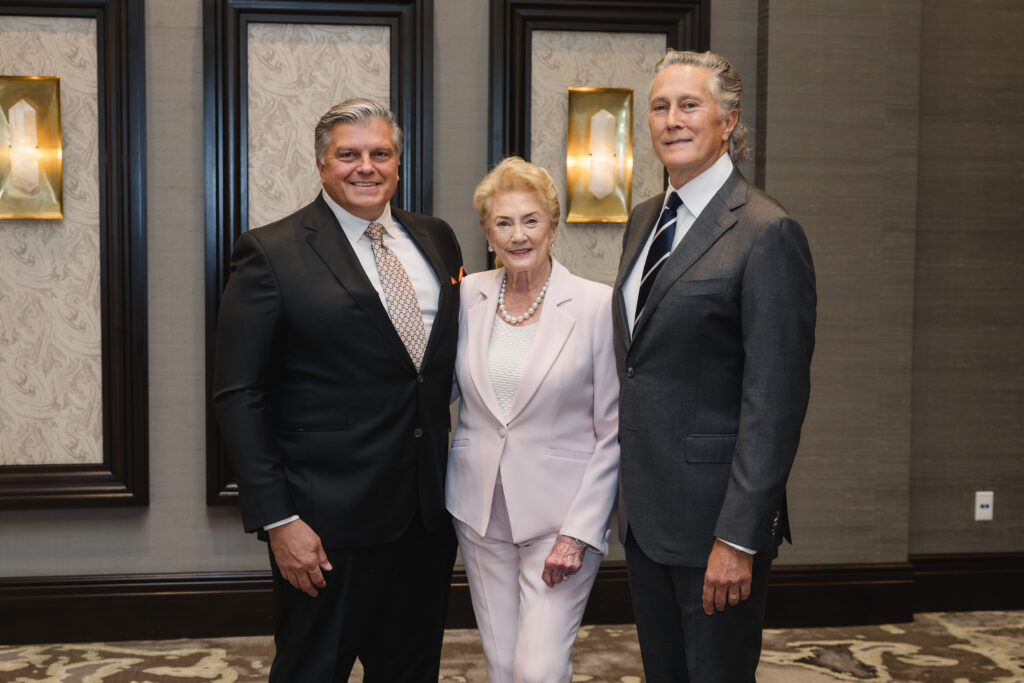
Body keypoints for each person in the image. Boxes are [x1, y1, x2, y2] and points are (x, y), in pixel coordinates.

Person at [213, 98, 463, 682]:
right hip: (323, 524)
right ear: (322, 165)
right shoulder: (270, 252)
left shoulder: (437, 239)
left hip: (425, 519)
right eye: (348, 155)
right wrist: (278, 521)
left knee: (411, 671)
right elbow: (239, 393)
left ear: (399, 165)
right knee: (311, 670)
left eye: (381, 154)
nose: (366, 167)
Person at [613, 50, 816, 681]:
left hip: (714, 528)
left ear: (728, 122)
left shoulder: (766, 231)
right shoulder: (645, 218)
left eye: (689, 105)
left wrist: (739, 537)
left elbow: (774, 403)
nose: (672, 120)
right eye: (660, 106)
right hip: (646, 519)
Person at [446, 157, 620, 683]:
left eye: (531, 220)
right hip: (479, 513)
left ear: (553, 223)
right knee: (502, 665)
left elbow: (613, 431)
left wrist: (581, 531)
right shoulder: (466, 296)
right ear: (486, 231)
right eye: (503, 222)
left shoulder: (594, 305)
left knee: (538, 669)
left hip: (559, 521)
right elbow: (439, 391)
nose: (518, 235)